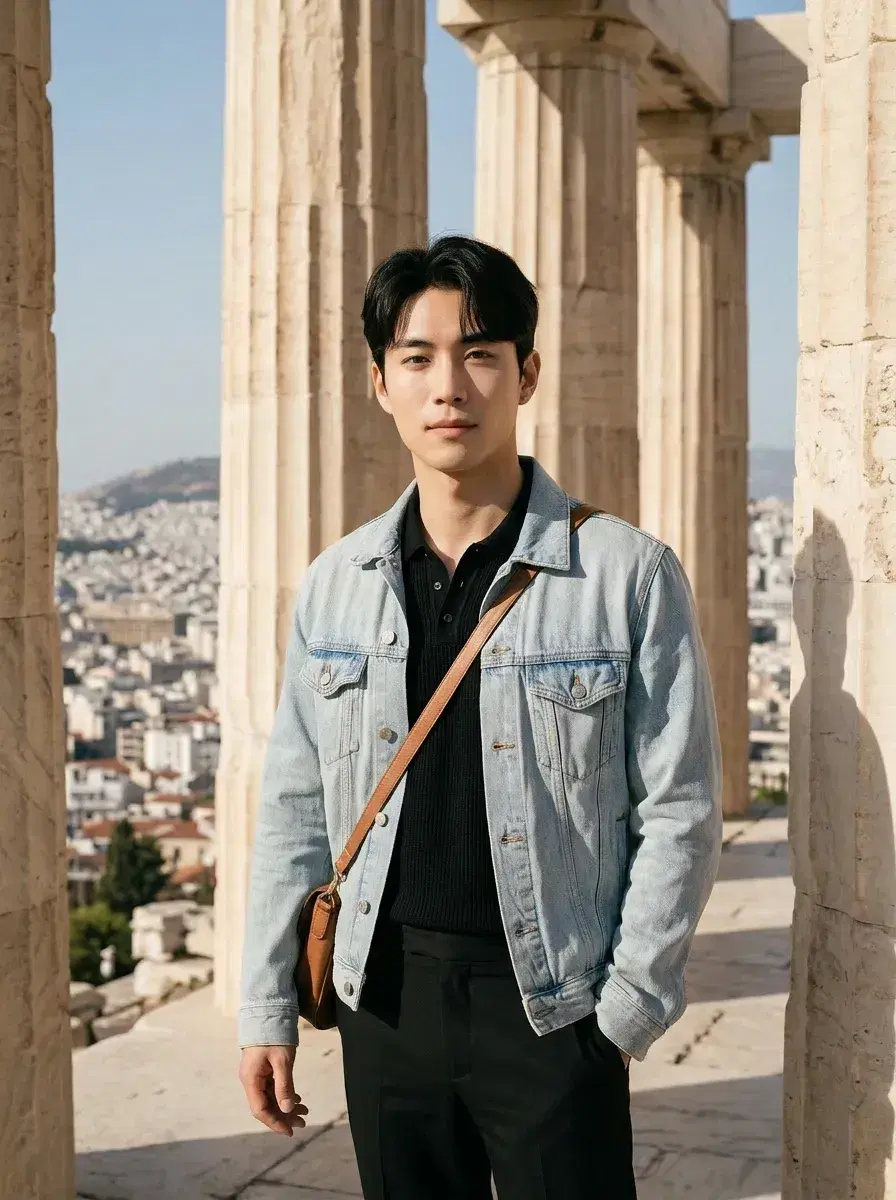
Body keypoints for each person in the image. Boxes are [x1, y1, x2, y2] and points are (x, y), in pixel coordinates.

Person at [237, 235, 723, 1198]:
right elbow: (294, 807)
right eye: (416, 358)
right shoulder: (336, 586)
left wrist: (622, 1014)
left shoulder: (626, 574)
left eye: (479, 354)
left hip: (552, 1007)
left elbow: (681, 809)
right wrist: (265, 1008)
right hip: (383, 1001)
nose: (447, 386)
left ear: (526, 374)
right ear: (381, 383)